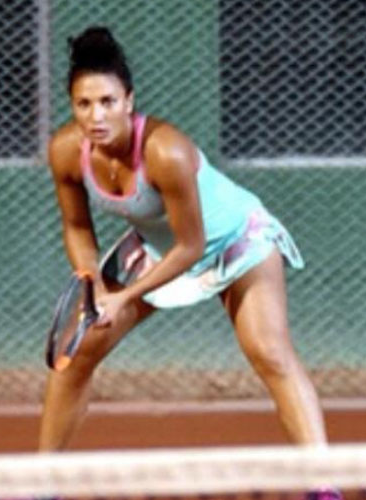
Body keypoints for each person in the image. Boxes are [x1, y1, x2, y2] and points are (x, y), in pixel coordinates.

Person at [41, 26, 339, 498]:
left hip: (235, 241)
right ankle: (41, 486)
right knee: (76, 357)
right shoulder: (66, 152)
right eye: (84, 104)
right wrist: (91, 280)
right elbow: (77, 227)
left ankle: (323, 487)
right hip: (157, 248)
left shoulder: (165, 151)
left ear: (129, 101)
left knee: (269, 351)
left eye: (108, 102)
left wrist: (124, 297)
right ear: (72, 106)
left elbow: (191, 245)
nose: (96, 116)